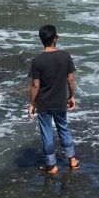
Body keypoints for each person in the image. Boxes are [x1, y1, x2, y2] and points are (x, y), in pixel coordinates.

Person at [27, 24, 80, 174]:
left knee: (47, 132)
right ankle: (72, 160)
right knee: (63, 128)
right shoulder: (65, 56)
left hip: (44, 103)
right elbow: (70, 79)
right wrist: (71, 96)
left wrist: (31, 104)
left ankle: (52, 165)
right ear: (55, 39)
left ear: (41, 40)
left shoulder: (37, 61)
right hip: (60, 101)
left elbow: (35, 85)